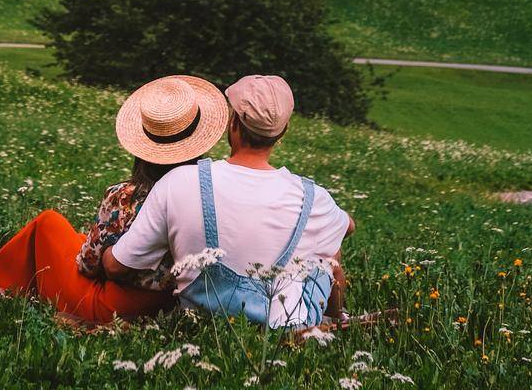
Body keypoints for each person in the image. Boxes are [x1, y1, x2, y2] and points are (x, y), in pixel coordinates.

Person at [0, 74, 229, 325]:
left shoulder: (124, 197)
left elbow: (87, 265)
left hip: (111, 307)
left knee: (48, 223)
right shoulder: (207, 195)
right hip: (169, 304)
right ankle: (0, 273)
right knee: (74, 238)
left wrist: (100, 250)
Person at [103, 74, 353, 329]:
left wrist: (105, 249)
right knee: (328, 249)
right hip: (284, 329)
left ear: (232, 123)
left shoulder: (179, 181)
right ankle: (335, 318)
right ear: (283, 132)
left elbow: (115, 267)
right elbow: (348, 227)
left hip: (203, 322)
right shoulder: (313, 197)